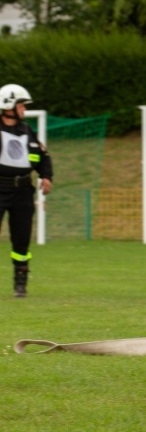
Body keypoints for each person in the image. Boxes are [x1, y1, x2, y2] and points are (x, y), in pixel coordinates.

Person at [0, 84, 53, 298]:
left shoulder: (26, 130)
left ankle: (20, 281)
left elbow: (42, 155)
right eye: (21, 105)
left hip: (22, 191)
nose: (24, 109)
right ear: (7, 105)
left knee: (21, 238)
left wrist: (46, 176)